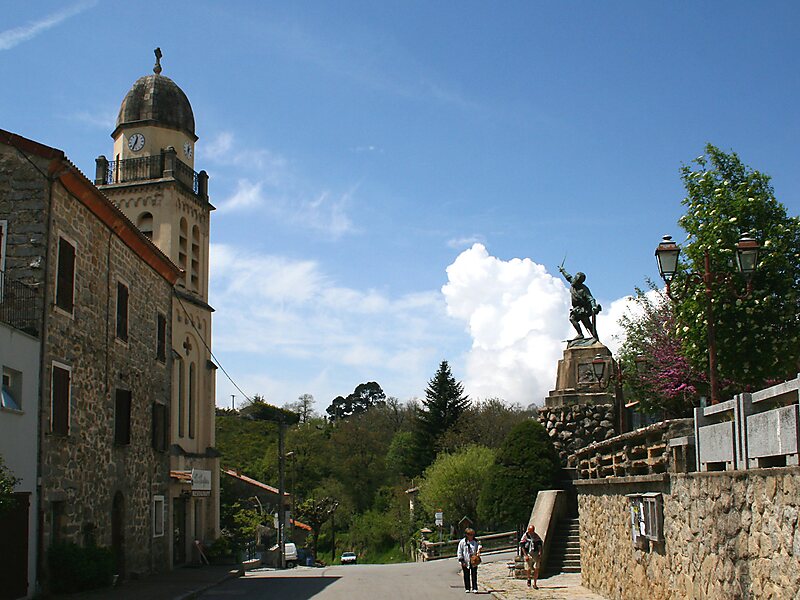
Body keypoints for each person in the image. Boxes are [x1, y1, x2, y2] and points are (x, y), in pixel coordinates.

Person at [558, 266, 601, 340]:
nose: (574, 280)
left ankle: (595, 337)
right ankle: (580, 334)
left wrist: (594, 306)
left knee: (588, 325)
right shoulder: (574, 283)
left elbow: (591, 299)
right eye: (574, 279)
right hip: (576, 309)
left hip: (582, 310)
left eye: (576, 279)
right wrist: (562, 270)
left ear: (579, 281)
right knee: (572, 319)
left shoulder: (583, 289)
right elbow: (568, 277)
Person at [457, 528, 482, 593]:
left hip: (473, 560)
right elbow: (460, 551)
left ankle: (475, 588)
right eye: (470, 534)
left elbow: (479, 546)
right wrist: (461, 560)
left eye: (472, 534)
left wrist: (478, 551)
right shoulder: (462, 542)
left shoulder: (475, 541)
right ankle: (467, 588)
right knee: (466, 574)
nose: (471, 536)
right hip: (466, 560)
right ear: (467, 535)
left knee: (474, 574)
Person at [519, 524, 543, 589]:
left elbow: (539, 544)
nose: (532, 532)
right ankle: (529, 578)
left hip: (535, 553)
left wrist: (540, 552)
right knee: (528, 568)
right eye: (530, 531)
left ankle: (535, 583)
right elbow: (522, 546)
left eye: (533, 531)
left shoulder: (536, 536)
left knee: (536, 568)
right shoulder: (525, 536)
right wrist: (525, 555)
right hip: (528, 553)